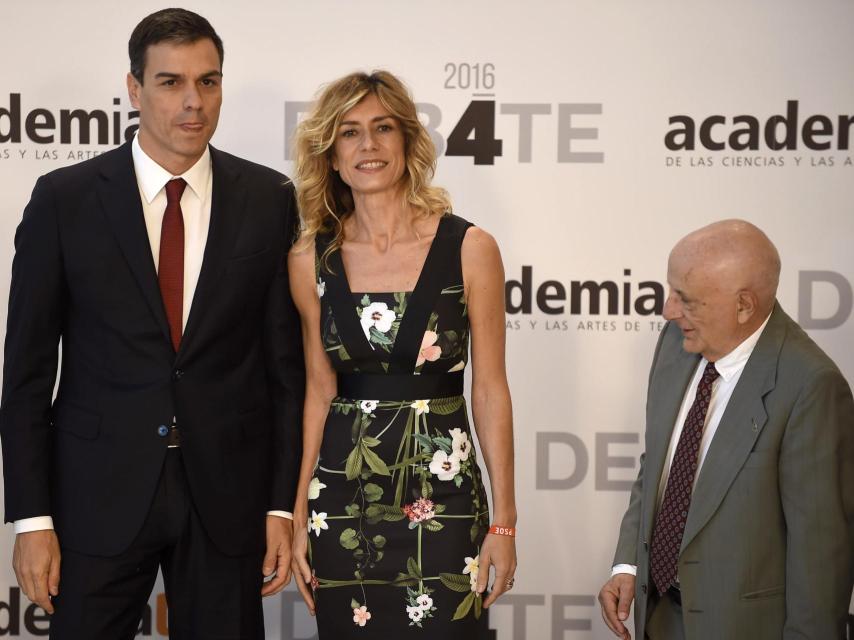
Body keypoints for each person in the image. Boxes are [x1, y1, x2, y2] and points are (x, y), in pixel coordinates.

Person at [0, 8, 304, 639]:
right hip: (95, 494)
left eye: (209, 82)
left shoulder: (268, 199)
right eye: (170, 83)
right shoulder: (64, 199)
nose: (193, 103)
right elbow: (26, 374)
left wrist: (281, 504)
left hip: (226, 495)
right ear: (134, 89)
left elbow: (285, 371)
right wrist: (32, 519)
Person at [287, 70, 517, 637]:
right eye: (349, 133)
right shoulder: (308, 260)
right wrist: (298, 517)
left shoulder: (470, 248)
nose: (368, 145)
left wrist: (505, 522)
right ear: (331, 157)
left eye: (383, 128)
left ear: (408, 143)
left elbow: (489, 388)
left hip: (444, 499)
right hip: (342, 502)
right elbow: (319, 394)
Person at [598, 219, 854, 640]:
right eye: (671, 291)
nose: (668, 310)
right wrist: (629, 564)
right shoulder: (675, 341)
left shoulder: (810, 387)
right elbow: (657, 466)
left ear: (744, 306)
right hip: (656, 618)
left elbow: (821, 562)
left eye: (687, 299)